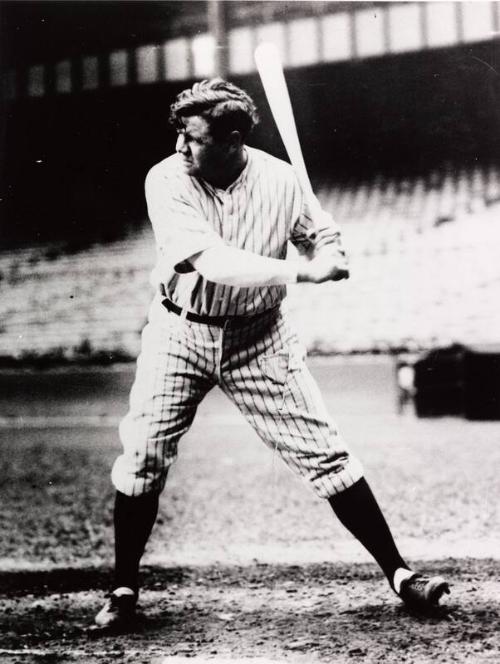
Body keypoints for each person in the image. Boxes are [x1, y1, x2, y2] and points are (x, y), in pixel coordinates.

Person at [95, 79, 450, 628]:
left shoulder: (283, 181)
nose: (180, 148)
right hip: (179, 333)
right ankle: (123, 588)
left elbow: (319, 235)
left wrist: (328, 245)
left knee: (325, 454)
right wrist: (305, 270)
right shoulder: (165, 180)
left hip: (259, 337)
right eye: (180, 137)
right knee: (142, 458)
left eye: (192, 139)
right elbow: (211, 261)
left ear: (232, 139)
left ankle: (402, 575)